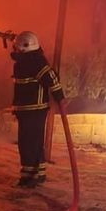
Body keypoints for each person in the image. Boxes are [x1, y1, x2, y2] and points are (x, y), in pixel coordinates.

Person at [10, 31, 65, 188]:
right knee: (32, 142)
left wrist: (59, 96)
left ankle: (29, 178)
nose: (15, 50)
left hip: (34, 110)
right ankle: (38, 174)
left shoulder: (35, 61)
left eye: (18, 47)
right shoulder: (26, 61)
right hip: (27, 109)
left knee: (29, 143)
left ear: (24, 48)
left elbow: (52, 78)